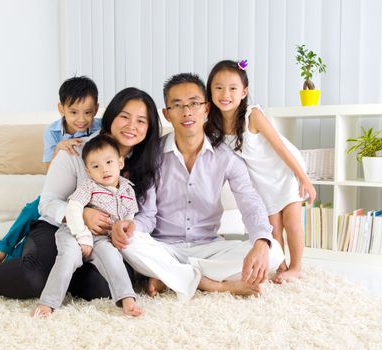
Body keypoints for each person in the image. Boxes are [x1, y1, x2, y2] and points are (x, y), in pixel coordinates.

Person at [0, 87, 161, 303]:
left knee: (103, 288)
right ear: (110, 116)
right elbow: (47, 202)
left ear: (149, 127)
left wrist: (129, 227)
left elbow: (149, 216)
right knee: (33, 278)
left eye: (141, 121)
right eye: (125, 116)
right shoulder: (76, 149)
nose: (132, 125)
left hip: (104, 240)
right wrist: (81, 215)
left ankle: (61, 274)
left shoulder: (148, 163)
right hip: (58, 228)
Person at [112, 73, 285, 299]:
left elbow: (250, 202)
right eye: (177, 105)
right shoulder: (152, 154)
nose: (187, 112)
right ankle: (213, 284)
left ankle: (169, 275)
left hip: (209, 247)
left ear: (206, 108)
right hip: (164, 246)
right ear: (166, 114)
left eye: (194, 103)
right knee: (128, 242)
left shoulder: (227, 157)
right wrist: (131, 227)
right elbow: (148, 216)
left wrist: (262, 241)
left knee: (274, 252)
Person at [205, 60, 316, 282]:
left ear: (244, 92)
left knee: (292, 222)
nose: (225, 94)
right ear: (210, 91)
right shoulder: (212, 126)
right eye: (218, 87)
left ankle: (296, 267)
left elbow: (280, 147)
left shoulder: (252, 116)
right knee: (273, 228)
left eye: (233, 88)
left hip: (284, 171)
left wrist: (302, 178)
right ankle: (280, 265)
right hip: (261, 180)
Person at [0, 76, 101, 274]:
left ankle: (14, 262)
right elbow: (48, 170)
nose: (81, 119)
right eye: (73, 112)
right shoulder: (53, 131)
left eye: (88, 112)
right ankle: (1, 255)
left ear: (96, 109)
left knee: (43, 225)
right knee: (32, 212)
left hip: (86, 188)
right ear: (61, 109)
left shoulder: (100, 128)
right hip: (60, 188)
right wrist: (59, 149)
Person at [33, 135, 141, 317]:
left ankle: (127, 299)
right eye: (96, 166)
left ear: (120, 163)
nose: (104, 170)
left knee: (113, 259)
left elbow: (129, 215)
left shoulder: (128, 189)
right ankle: (48, 303)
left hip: (102, 238)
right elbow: (73, 209)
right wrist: (82, 236)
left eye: (109, 162)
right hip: (74, 232)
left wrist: (126, 226)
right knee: (68, 257)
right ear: (88, 171)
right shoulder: (88, 186)